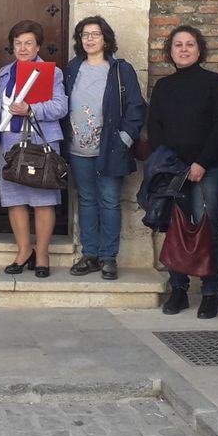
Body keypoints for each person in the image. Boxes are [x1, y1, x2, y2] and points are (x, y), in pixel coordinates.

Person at [147, 25, 218, 316]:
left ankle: (210, 291)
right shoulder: (163, 87)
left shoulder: (215, 83)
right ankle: (179, 290)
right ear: (170, 51)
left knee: (209, 227)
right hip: (174, 170)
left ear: (199, 50)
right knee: (176, 228)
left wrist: (201, 163)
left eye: (190, 44)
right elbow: (155, 128)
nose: (184, 49)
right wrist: (170, 165)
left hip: (209, 168)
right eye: (178, 45)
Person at [63, 16, 145, 281]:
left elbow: (136, 106)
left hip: (110, 148)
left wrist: (124, 139)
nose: (89, 39)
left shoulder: (121, 70)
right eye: (84, 34)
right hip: (78, 149)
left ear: (106, 39)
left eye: (95, 34)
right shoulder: (73, 68)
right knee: (86, 200)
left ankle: (109, 257)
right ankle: (90, 254)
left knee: (109, 201)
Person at [0, 19, 69, 277]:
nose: (22, 48)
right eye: (18, 43)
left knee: (43, 200)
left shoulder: (52, 72)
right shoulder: (4, 72)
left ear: (38, 46)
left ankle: (42, 254)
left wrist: (31, 109)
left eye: (28, 43)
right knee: (15, 199)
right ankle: (24, 251)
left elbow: (60, 107)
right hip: (10, 142)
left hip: (41, 142)